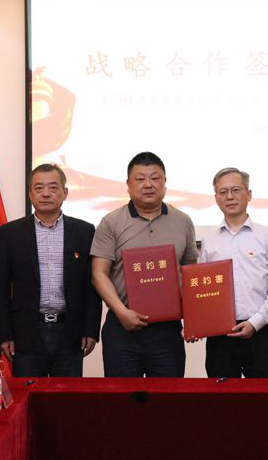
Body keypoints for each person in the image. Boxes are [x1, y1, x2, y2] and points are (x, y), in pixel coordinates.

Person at [91, 152, 199, 377]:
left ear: (165, 182)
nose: (148, 184)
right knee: (123, 396)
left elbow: (189, 270)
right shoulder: (111, 222)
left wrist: (194, 317)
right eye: (140, 179)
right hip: (122, 326)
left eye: (155, 178)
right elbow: (99, 273)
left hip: (167, 330)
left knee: (167, 396)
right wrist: (122, 312)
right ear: (128, 185)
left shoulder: (183, 221)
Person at [0, 163, 101, 377]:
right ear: (30, 194)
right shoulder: (11, 233)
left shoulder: (84, 231)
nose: (45, 194)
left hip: (69, 331)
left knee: (67, 395)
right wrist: (4, 334)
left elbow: (91, 286)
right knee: (28, 394)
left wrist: (90, 330)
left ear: (65, 193)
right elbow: (0, 288)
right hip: (27, 332)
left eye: (53, 188)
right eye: (39, 188)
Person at [198, 167, 268, 378]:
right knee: (220, 396)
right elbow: (202, 289)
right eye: (223, 192)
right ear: (216, 198)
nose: (230, 197)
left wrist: (255, 322)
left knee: (261, 397)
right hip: (220, 335)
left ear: (248, 194)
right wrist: (197, 324)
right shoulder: (209, 241)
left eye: (236, 190)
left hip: (260, 333)